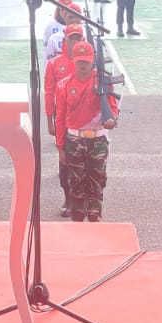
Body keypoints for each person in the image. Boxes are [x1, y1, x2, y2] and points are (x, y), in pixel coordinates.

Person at [55, 41, 119, 222]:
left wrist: (110, 120)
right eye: (79, 61)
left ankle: (95, 216)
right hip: (74, 139)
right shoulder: (63, 85)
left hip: (98, 139)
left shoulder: (103, 81)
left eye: (87, 61)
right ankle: (77, 218)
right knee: (76, 182)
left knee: (97, 181)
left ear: (93, 61)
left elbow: (112, 108)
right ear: (73, 60)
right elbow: (60, 117)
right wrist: (61, 147)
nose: (83, 65)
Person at [45, 23, 84, 216]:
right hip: (63, 119)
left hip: (84, 120)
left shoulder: (88, 64)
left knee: (85, 162)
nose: (75, 41)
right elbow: (48, 92)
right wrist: (49, 121)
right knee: (65, 162)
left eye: (79, 38)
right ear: (65, 41)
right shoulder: (54, 64)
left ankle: (83, 199)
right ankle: (69, 199)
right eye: (72, 38)